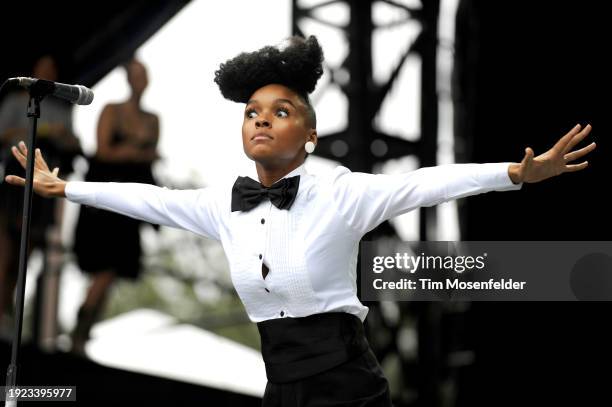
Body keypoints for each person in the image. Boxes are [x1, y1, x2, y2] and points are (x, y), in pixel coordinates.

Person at [4, 36, 596, 406]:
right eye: (252, 114)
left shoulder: (341, 192)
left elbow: (425, 183)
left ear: (309, 135)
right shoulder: (221, 206)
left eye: (280, 112)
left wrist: (516, 175)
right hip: (280, 384)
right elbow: (150, 199)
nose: (261, 121)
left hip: (347, 384)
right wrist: (66, 188)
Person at [70, 58, 160, 355]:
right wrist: (136, 151)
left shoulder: (152, 119)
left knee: (114, 270)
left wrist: (133, 153)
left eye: (144, 75)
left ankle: (84, 331)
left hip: (130, 202)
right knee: (103, 268)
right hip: (104, 199)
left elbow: (149, 158)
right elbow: (103, 151)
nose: (141, 81)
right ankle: (80, 332)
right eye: (137, 75)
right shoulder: (112, 110)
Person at [0, 55, 81, 331]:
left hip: (45, 178)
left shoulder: (62, 107)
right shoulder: (14, 100)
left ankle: (8, 311)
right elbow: (3, 133)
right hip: (17, 170)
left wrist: (61, 135)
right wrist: (39, 129)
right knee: (6, 247)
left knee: (27, 250)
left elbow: (73, 143)